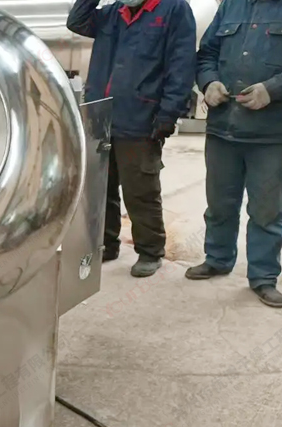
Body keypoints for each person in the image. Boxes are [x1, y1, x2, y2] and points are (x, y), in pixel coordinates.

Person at [186, 0, 282, 308]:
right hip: (224, 127)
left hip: (275, 134)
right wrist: (209, 82)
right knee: (220, 203)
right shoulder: (232, 5)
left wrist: (272, 89)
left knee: (266, 210)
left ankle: (263, 276)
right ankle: (217, 259)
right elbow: (206, 53)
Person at [68, 0, 197, 277]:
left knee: (139, 189)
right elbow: (76, 21)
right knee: (100, 188)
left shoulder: (174, 9)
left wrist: (169, 113)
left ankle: (150, 251)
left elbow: (181, 64)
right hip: (100, 116)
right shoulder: (112, 13)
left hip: (140, 117)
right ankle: (105, 245)